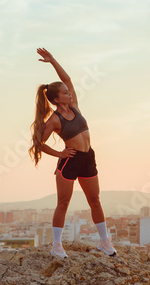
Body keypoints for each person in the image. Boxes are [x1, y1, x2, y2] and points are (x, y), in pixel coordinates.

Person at [28, 47, 116, 258]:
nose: (70, 93)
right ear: (57, 99)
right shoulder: (54, 120)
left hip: (88, 158)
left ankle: (104, 241)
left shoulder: (74, 106)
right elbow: (38, 143)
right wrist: (59, 154)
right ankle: (57, 245)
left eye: (69, 92)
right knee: (63, 203)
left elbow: (66, 78)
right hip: (71, 160)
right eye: (65, 93)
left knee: (95, 200)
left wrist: (52, 61)